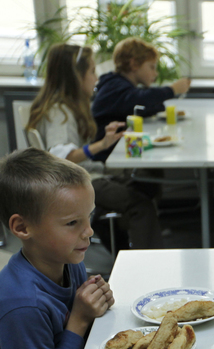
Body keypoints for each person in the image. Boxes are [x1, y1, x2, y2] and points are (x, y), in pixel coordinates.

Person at [0, 149, 115, 349]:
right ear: (23, 228)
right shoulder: (23, 305)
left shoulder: (69, 260)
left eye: (88, 218)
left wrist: (97, 302)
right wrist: (79, 319)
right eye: (72, 223)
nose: (89, 232)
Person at [26, 43, 164, 249]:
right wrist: (101, 145)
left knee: (146, 179)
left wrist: (105, 140)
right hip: (74, 184)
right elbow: (60, 157)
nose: (96, 78)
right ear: (75, 76)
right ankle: (145, 263)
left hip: (85, 177)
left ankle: (122, 244)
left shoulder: (69, 106)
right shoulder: (58, 112)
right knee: (140, 204)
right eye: (92, 71)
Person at [91, 37, 191, 161]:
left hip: (120, 150)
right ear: (134, 64)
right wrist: (172, 90)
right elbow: (140, 99)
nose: (155, 73)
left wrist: (156, 106)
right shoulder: (114, 86)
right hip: (108, 155)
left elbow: (139, 106)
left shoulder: (120, 85)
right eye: (151, 67)